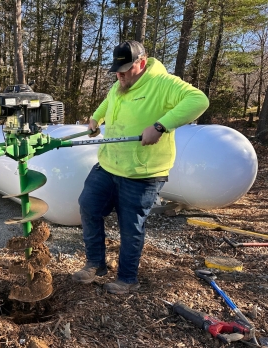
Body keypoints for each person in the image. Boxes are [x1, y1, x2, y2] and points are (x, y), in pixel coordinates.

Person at [72, 40, 209, 294]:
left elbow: (198, 100)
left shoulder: (163, 83)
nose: (119, 75)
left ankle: (127, 278)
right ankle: (95, 263)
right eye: (116, 69)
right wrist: (95, 118)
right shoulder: (120, 83)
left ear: (141, 63)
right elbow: (108, 100)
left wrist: (160, 126)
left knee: (130, 227)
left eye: (124, 69)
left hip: (142, 172)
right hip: (109, 164)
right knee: (88, 206)